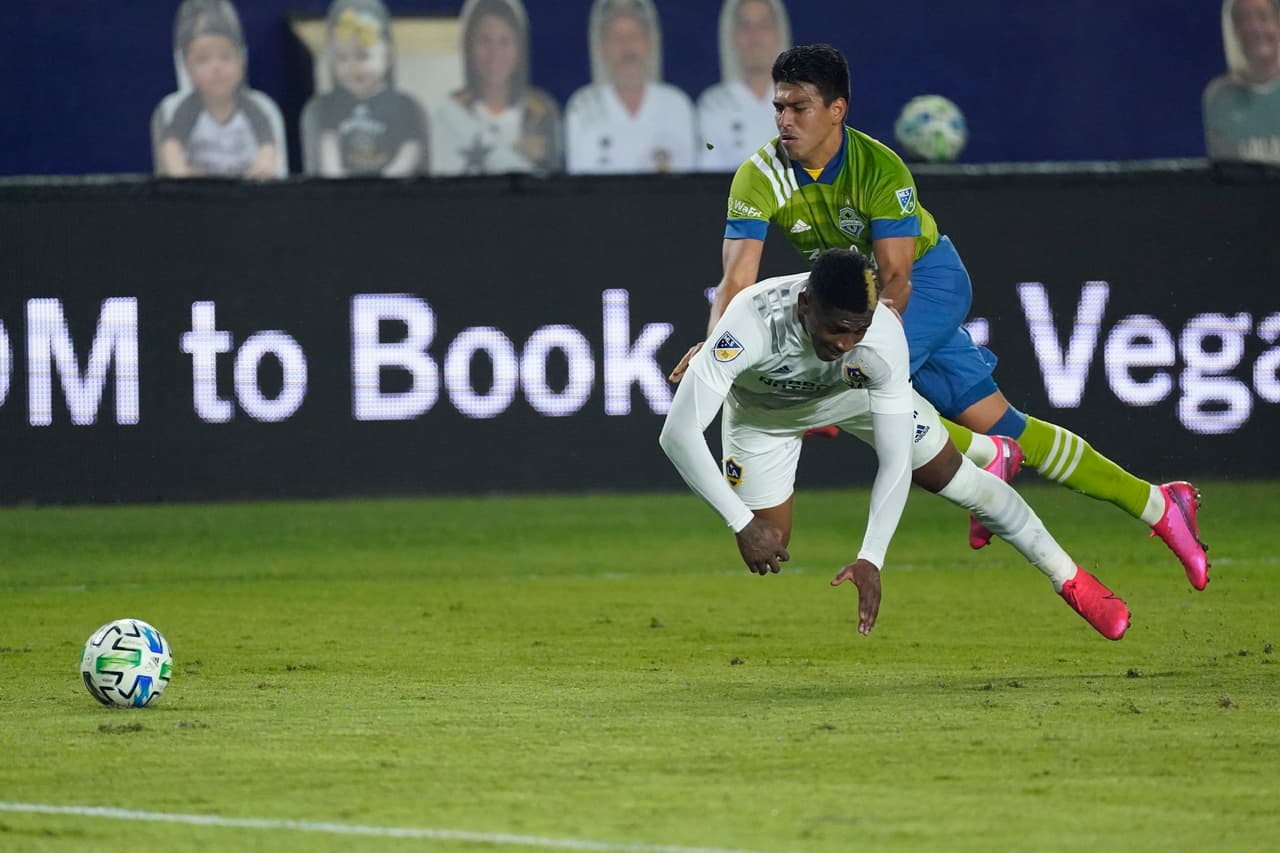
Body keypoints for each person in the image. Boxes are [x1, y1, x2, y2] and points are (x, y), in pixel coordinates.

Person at [668, 44, 1210, 591]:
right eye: (779, 107)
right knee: (1006, 424)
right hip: (859, 305)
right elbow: (737, 280)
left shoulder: (879, 167)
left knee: (867, 389)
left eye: (799, 107)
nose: (785, 120)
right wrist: (716, 346)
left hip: (925, 284)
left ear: (837, 109)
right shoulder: (759, 176)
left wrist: (842, 367)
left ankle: (987, 458)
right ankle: (1159, 504)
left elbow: (896, 278)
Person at [660, 249, 1130, 640]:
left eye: (857, 331)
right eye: (836, 329)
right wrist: (742, 524)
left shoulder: (881, 336)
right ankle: (986, 450)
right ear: (805, 305)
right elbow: (677, 434)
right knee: (770, 541)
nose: (846, 344)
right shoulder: (750, 322)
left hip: (851, 398)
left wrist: (872, 557)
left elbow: (894, 460)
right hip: (763, 418)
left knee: (952, 478)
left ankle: (1070, 578)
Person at [152, 0, 286, 178]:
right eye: (203, 60)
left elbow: (268, 144)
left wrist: (262, 168)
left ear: (241, 61)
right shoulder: (187, 110)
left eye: (225, 57)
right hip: (201, 190)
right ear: (188, 69)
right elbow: (171, 144)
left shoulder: (254, 108)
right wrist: (180, 174)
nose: (216, 68)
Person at [564, 0, 699, 174]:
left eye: (635, 36)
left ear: (649, 43)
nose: (627, 47)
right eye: (616, 37)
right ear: (602, 47)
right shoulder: (583, 107)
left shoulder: (676, 105)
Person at [431, 0, 563, 175]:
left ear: (520, 48)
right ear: (469, 46)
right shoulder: (450, 112)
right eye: (484, 41)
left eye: (505, 41)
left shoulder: (542, 111)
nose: (495, 53)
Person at [301, 0, 429, 177]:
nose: (352, 67)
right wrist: (341, 185)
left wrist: (385, 182)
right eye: (342, 57)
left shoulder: (406, 107)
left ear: (388, 56)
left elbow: (411, 151)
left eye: (363, 56)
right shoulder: (326, 107)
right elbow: (328, 152)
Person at [697, 0, 792, 173]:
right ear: (732, 36)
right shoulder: (713, 105)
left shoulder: (803, 101)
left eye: (764, 25)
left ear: (778, 32)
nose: (755, 37)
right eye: (745, 26)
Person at [1204, 0, 1280, 163]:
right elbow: (1227, 172)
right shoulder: (1219, 98)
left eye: (1263, 17)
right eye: (1243, 21)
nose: (1255, 28)